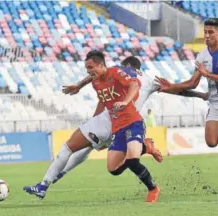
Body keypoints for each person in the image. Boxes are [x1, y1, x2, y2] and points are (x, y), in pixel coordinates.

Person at [23, 54, 208, 200]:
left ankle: (49, 180)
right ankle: (52, 178)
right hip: (120, 123)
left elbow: (100, 78)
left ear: (124, 65)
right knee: (98, 156)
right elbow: (179, 91)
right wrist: (201, 96)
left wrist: (79, 87)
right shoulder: (150, 80)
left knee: (75, 147)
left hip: (113, 122)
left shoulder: (119, 72)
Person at [84, 51, 161, 202]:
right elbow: (103, 102)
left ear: (101, 65)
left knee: (132, 161)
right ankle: (146, 147)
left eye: (91, 67)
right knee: (113, 169)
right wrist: (93, 122)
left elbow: (134, 84)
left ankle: (153, 189)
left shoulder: (116, 71)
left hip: (133, 122)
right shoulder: (95, 83)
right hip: (117, 128)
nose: (88, 71)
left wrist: (126, 101)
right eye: (87, 68)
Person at [156, 18, 218, 147]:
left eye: (211, 32)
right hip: (215, 102)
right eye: (205, 32)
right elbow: (192, 83)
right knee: (211, 142)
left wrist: (207, 74)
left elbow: (206, 75)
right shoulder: (202, 56)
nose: (206, 36)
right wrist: (172, 86)